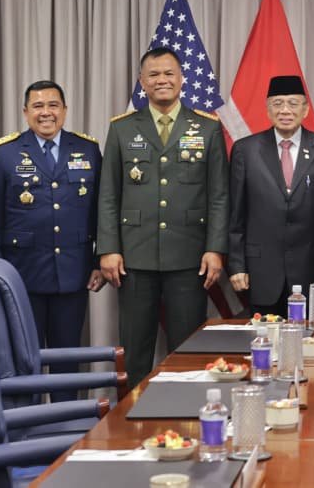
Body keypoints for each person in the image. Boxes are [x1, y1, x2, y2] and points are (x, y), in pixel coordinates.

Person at [96, 47, 229, 388]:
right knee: (135, 351)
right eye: (153, 75)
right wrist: (108, 248)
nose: (162, 80)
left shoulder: (207, 128)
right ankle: (132, 414)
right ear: (142, 82)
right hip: (134, 257)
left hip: (189, 256)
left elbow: (218, 195)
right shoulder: (123, 128)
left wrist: (215, 249)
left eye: (169, 73)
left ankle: (184, 413)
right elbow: (108, 194)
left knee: (187, 350)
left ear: (182, 79)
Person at [0, 80, 105, 401]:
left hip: (72, 275)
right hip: (21, 278)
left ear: (65, 110)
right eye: (38, 106)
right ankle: (27, 425)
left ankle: (66, 423)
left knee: (67, 361)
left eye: (53, 105)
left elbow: (102, 211)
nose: (46, 112)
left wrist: (98, 260)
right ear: (25, 112)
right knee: (24, 362)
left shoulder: (87, 149)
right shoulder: (5, 152)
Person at [229, 75, 314, 317]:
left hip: (311, 271)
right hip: (260, 271)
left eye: (293, 103)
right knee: (263, 336)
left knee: (310, 337)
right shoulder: (245, 150)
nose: (285, 110)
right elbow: (236, 213)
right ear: (267, 109)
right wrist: (237, 264)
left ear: (305, 109)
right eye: (277, 103)